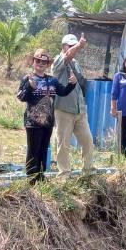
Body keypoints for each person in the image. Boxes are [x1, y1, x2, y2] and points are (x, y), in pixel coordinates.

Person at [17, 48, 76, 181]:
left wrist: (72, 84)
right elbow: (21, 97)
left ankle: (41, 176)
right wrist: (29, 87)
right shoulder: (28, 78)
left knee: (43, 150)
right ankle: (32, 178)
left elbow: (63, 92)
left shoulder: (52, 80)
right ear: (33, 61)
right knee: (33, 150)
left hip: (48, 122)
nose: (41, 63)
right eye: (38, 60)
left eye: (44, 61)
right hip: (33, 122)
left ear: (48, 64)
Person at [51, 33, 95, 175]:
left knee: (88, 141)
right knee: (63, 144)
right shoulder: (58, 61)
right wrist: (78, 45)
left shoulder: (76, 63)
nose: (74, 48)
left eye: (74, 45)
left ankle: (87, 170)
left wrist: (82, 107)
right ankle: (64, 173)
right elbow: (67, 56)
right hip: (64, 109)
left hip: (79, 111)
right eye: (70, 46)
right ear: (63, 46)